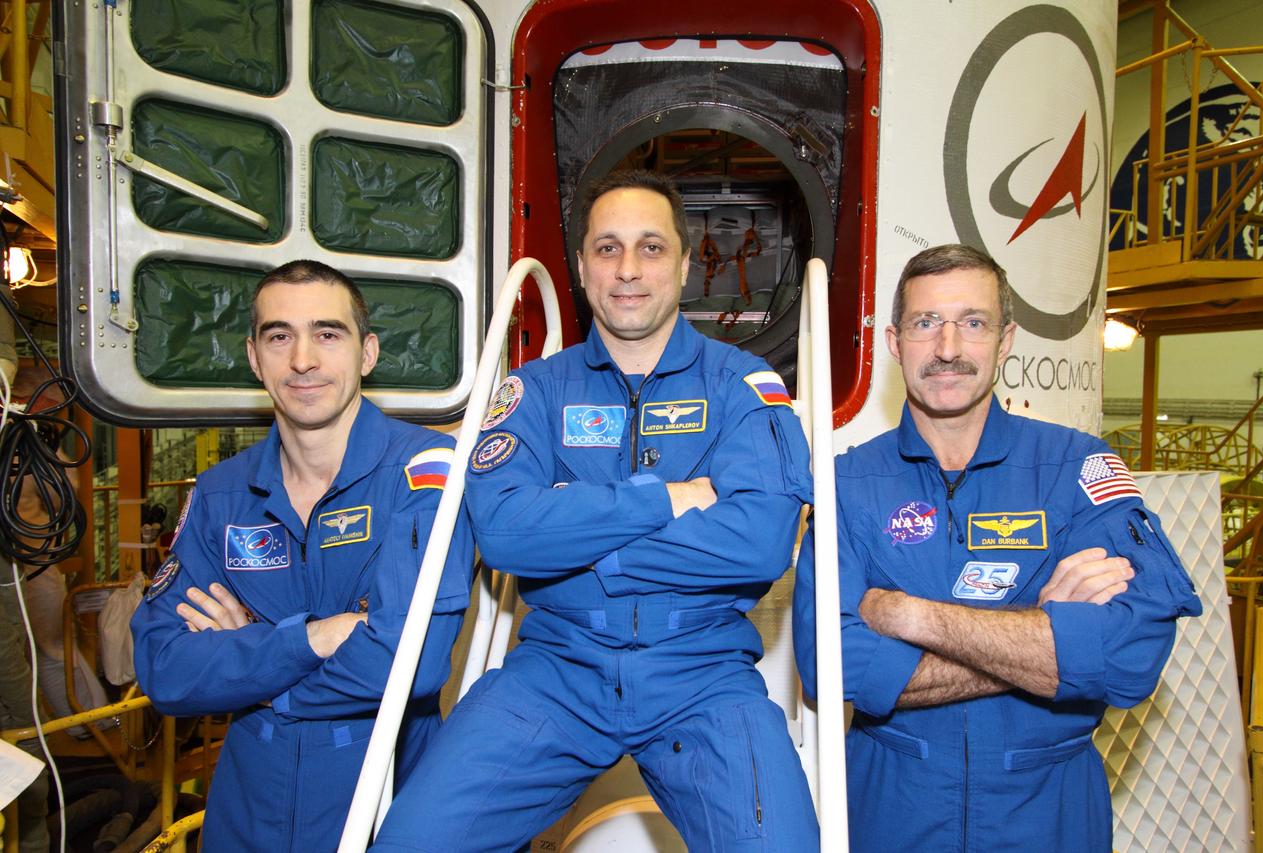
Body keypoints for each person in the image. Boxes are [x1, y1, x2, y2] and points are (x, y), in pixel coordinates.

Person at [371, 170, 819, 851]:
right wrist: (666, 499)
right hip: (557, 668)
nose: (628, 268)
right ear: (581, 267)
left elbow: (759, 542)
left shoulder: (740, 385)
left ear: (685, 263)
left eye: (651, 247)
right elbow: (506, 533)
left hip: (701, 670)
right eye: (608, 248)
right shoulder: (534, 391)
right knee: (412, 841)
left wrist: (580, 539)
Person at [793, 243, 1203, 851]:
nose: (948, 348)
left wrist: (910, 615)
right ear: (894, 343)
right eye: (926, 322)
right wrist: (1043, 638)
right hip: (894, 812)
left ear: (1006, 339)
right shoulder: (846, 484)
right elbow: (831, 666)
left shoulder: (1078, 468)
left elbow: (1129, 655)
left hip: (1049, 816)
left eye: (973, 323)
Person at [131, 260, 475, 852]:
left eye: (327, 333)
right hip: (245, 816)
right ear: (253, 357)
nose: (302, 360)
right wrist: (315, 638)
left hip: (384, 807)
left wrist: (256, 673)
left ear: (367, 353)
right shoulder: (220, 495)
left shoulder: (423, 473)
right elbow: (166, 669)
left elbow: (410, 663)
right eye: (279, 336)